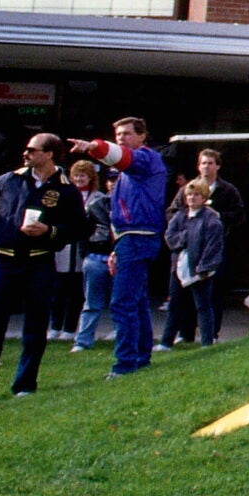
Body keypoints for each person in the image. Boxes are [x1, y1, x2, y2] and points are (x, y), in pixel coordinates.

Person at [0, 133, 86, 405]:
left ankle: (25, 384)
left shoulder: (66, 188)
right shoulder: (11, 179)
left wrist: (50, 231)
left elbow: (80, 226)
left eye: (32, 149)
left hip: (39, 261)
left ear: (49, 154)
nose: (26, 153)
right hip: (4, 260)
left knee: (35, 326)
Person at [68, 118, 169, 376]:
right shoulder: (129, 170)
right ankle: (140, 358)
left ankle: (124, 365)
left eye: (126, 133)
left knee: (123, 303)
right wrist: (116, 247)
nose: (121, 138)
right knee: (135, 302)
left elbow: (120, 157)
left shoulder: (145, 160)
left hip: (137, 237)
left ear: (143, 136)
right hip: (130, 238)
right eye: (117, 134)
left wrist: (94, 146)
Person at [162, 179, 227, 347]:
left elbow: (213, 246)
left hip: (200, 270)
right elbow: (170, 237)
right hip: (178, 267)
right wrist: (185, 237)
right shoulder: (179, 216)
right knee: (174, 306)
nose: (192, 198)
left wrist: (203, 268)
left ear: (204, 197)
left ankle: (207, 341)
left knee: (203, 306)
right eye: (189, 195)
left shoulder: (211, 220)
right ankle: (166, 342)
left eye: (196, 195)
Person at [68, 160, 114, 351]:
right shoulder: (96, 205)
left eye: (118, 179)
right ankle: (83, 340)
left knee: (121, 301)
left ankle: (123, 335)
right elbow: (83, 230)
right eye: (111, 180)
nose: (114, 183)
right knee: (91, 303)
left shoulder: (131, 205)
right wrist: (85, 254)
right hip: (95, 257)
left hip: (121, 257)